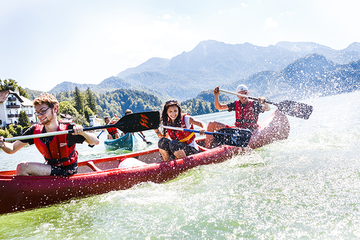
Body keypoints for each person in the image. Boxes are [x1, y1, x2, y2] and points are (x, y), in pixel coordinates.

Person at [0, 93, 99, 176]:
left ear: (55, 109)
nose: (39, 115)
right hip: (51, 168)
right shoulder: (34, 130)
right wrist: (3, 144)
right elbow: (12, 148)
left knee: (22, 167)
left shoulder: (69, 128)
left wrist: (82, 132)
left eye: (43, 111)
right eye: (37, 112)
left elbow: (95, 141)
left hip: (69, 171)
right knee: (22, 168)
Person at [205, 85, 271, 148]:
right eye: (241, 94)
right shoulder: (235, 104)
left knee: (239, 132)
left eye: (245, 93)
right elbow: (219, 107)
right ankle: (206, 149)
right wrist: (216, 95)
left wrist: (264, 102)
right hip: (237, 131)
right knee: (211, 124)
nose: (244, 95)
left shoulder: (254, 104)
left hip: (249, 133)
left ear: (248, 93)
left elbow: (267, 108)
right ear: (237, 96)